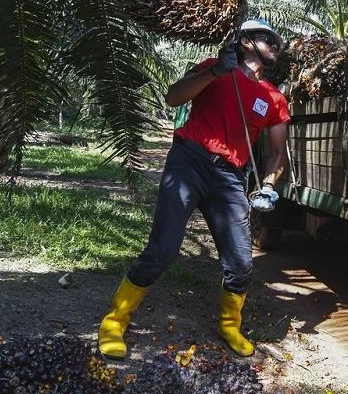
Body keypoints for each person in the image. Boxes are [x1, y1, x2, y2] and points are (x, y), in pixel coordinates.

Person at [97, 19, 290, 358]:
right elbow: (174, 97)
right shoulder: (214, 70)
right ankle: (115, 321)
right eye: (267, 39)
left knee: (242, 262)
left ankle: (229, 325)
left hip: (230, 178)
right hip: (189, 161)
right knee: (163, 249)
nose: (275, 45)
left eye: (277, 42)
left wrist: (269, 186)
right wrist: (215, 71)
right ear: (245, 42)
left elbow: (277, 154)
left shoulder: (274, 98)